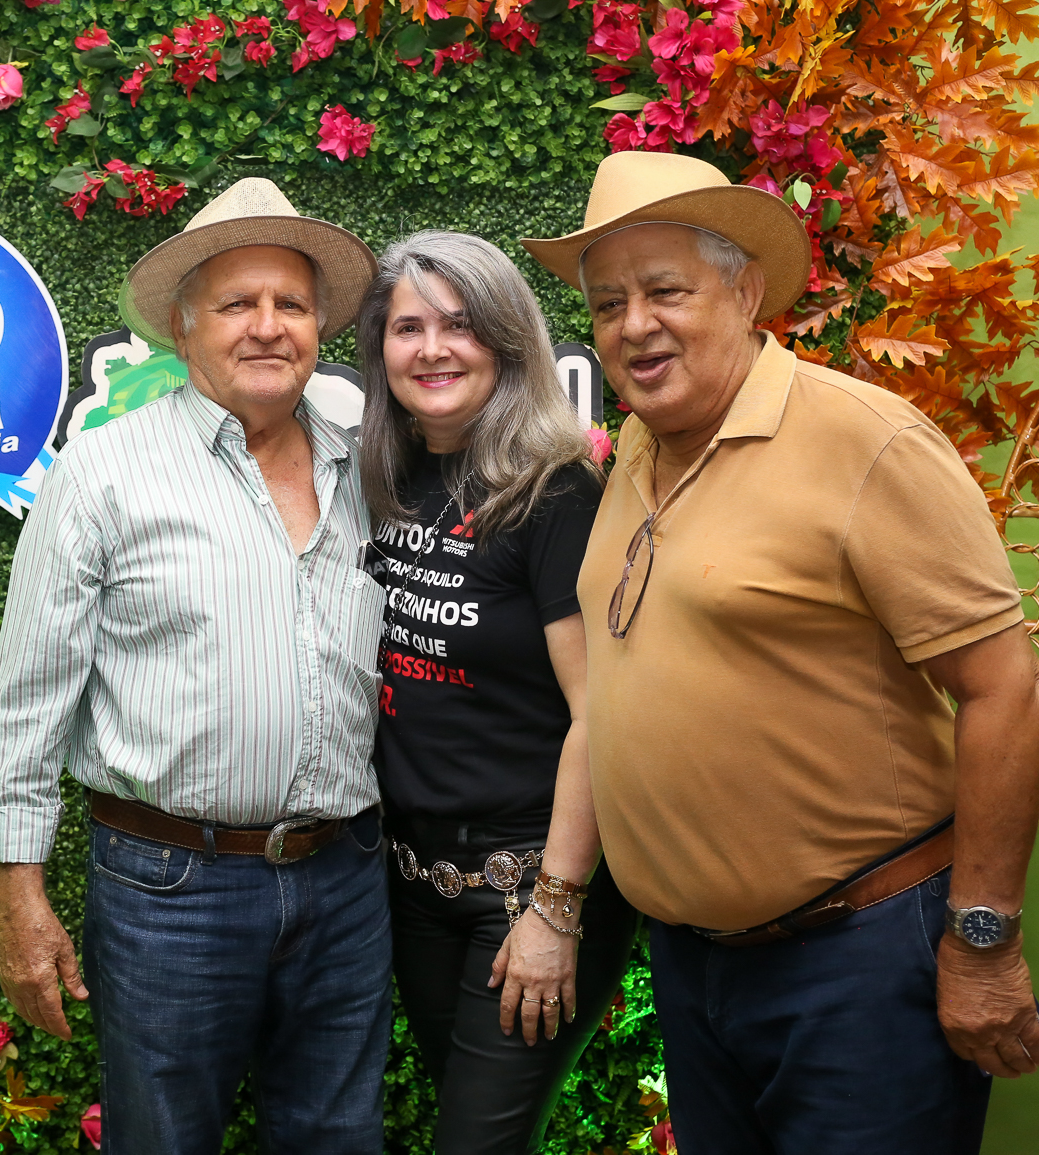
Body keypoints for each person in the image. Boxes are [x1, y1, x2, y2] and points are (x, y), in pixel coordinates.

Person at [521, 152, 1039, 1154]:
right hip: (695, 971)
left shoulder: (862, 439)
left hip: (858, 966)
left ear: (744, 290)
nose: (634, 325)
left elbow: (1006, 692)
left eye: (665, 290)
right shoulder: (637, 449)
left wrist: (983, 939)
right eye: (607, 304)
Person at [0, 177, 390, 1155]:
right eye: (238, 303)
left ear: (318, 326)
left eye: (290, 303)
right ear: (184, 327)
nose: (268, 326)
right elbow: (27, 698)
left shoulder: (365, 467)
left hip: (346, 883)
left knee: (337, 1138)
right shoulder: (103, 472)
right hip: (169, 893)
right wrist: (18, 895)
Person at [358, 230, 639, 1154]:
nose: (432, 348)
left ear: (508, 341)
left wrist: (556, 907)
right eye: (408, 327)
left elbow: (600, 715)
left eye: (460, 325)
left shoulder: (555, 491)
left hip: (531, 886)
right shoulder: (386, 478)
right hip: (415, 886)